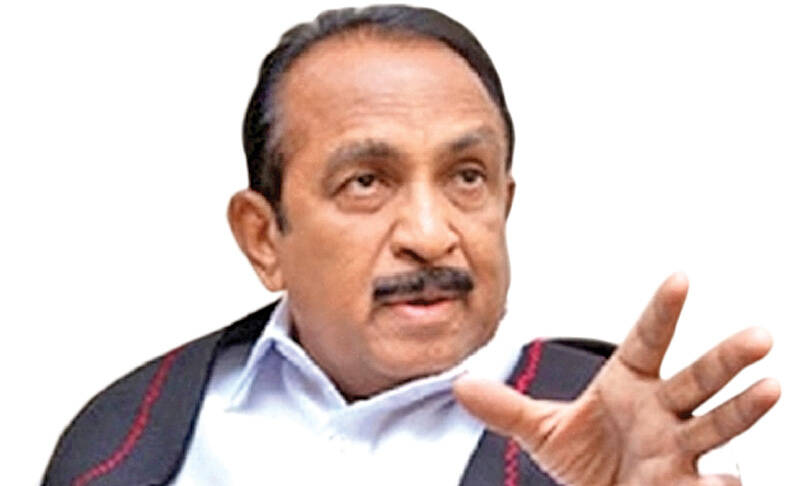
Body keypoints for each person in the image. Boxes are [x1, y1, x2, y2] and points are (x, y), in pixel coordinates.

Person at [42, 5, 780, 485]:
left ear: (505, 205)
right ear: (263, 238)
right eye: (366, 182)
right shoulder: (123, 439)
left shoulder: (623, 440)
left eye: (466, 177)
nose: (430, 236)